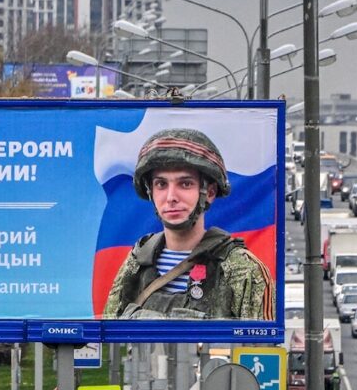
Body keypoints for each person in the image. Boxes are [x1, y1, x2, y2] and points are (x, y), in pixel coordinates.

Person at [102, 128, 275, 320]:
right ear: (151, 192)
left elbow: (261, 345)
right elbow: (110, 337)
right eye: (161, 184)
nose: (171, 197)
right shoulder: (136, 264)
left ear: (209, 193)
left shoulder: (241, 269)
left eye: (185, 184)